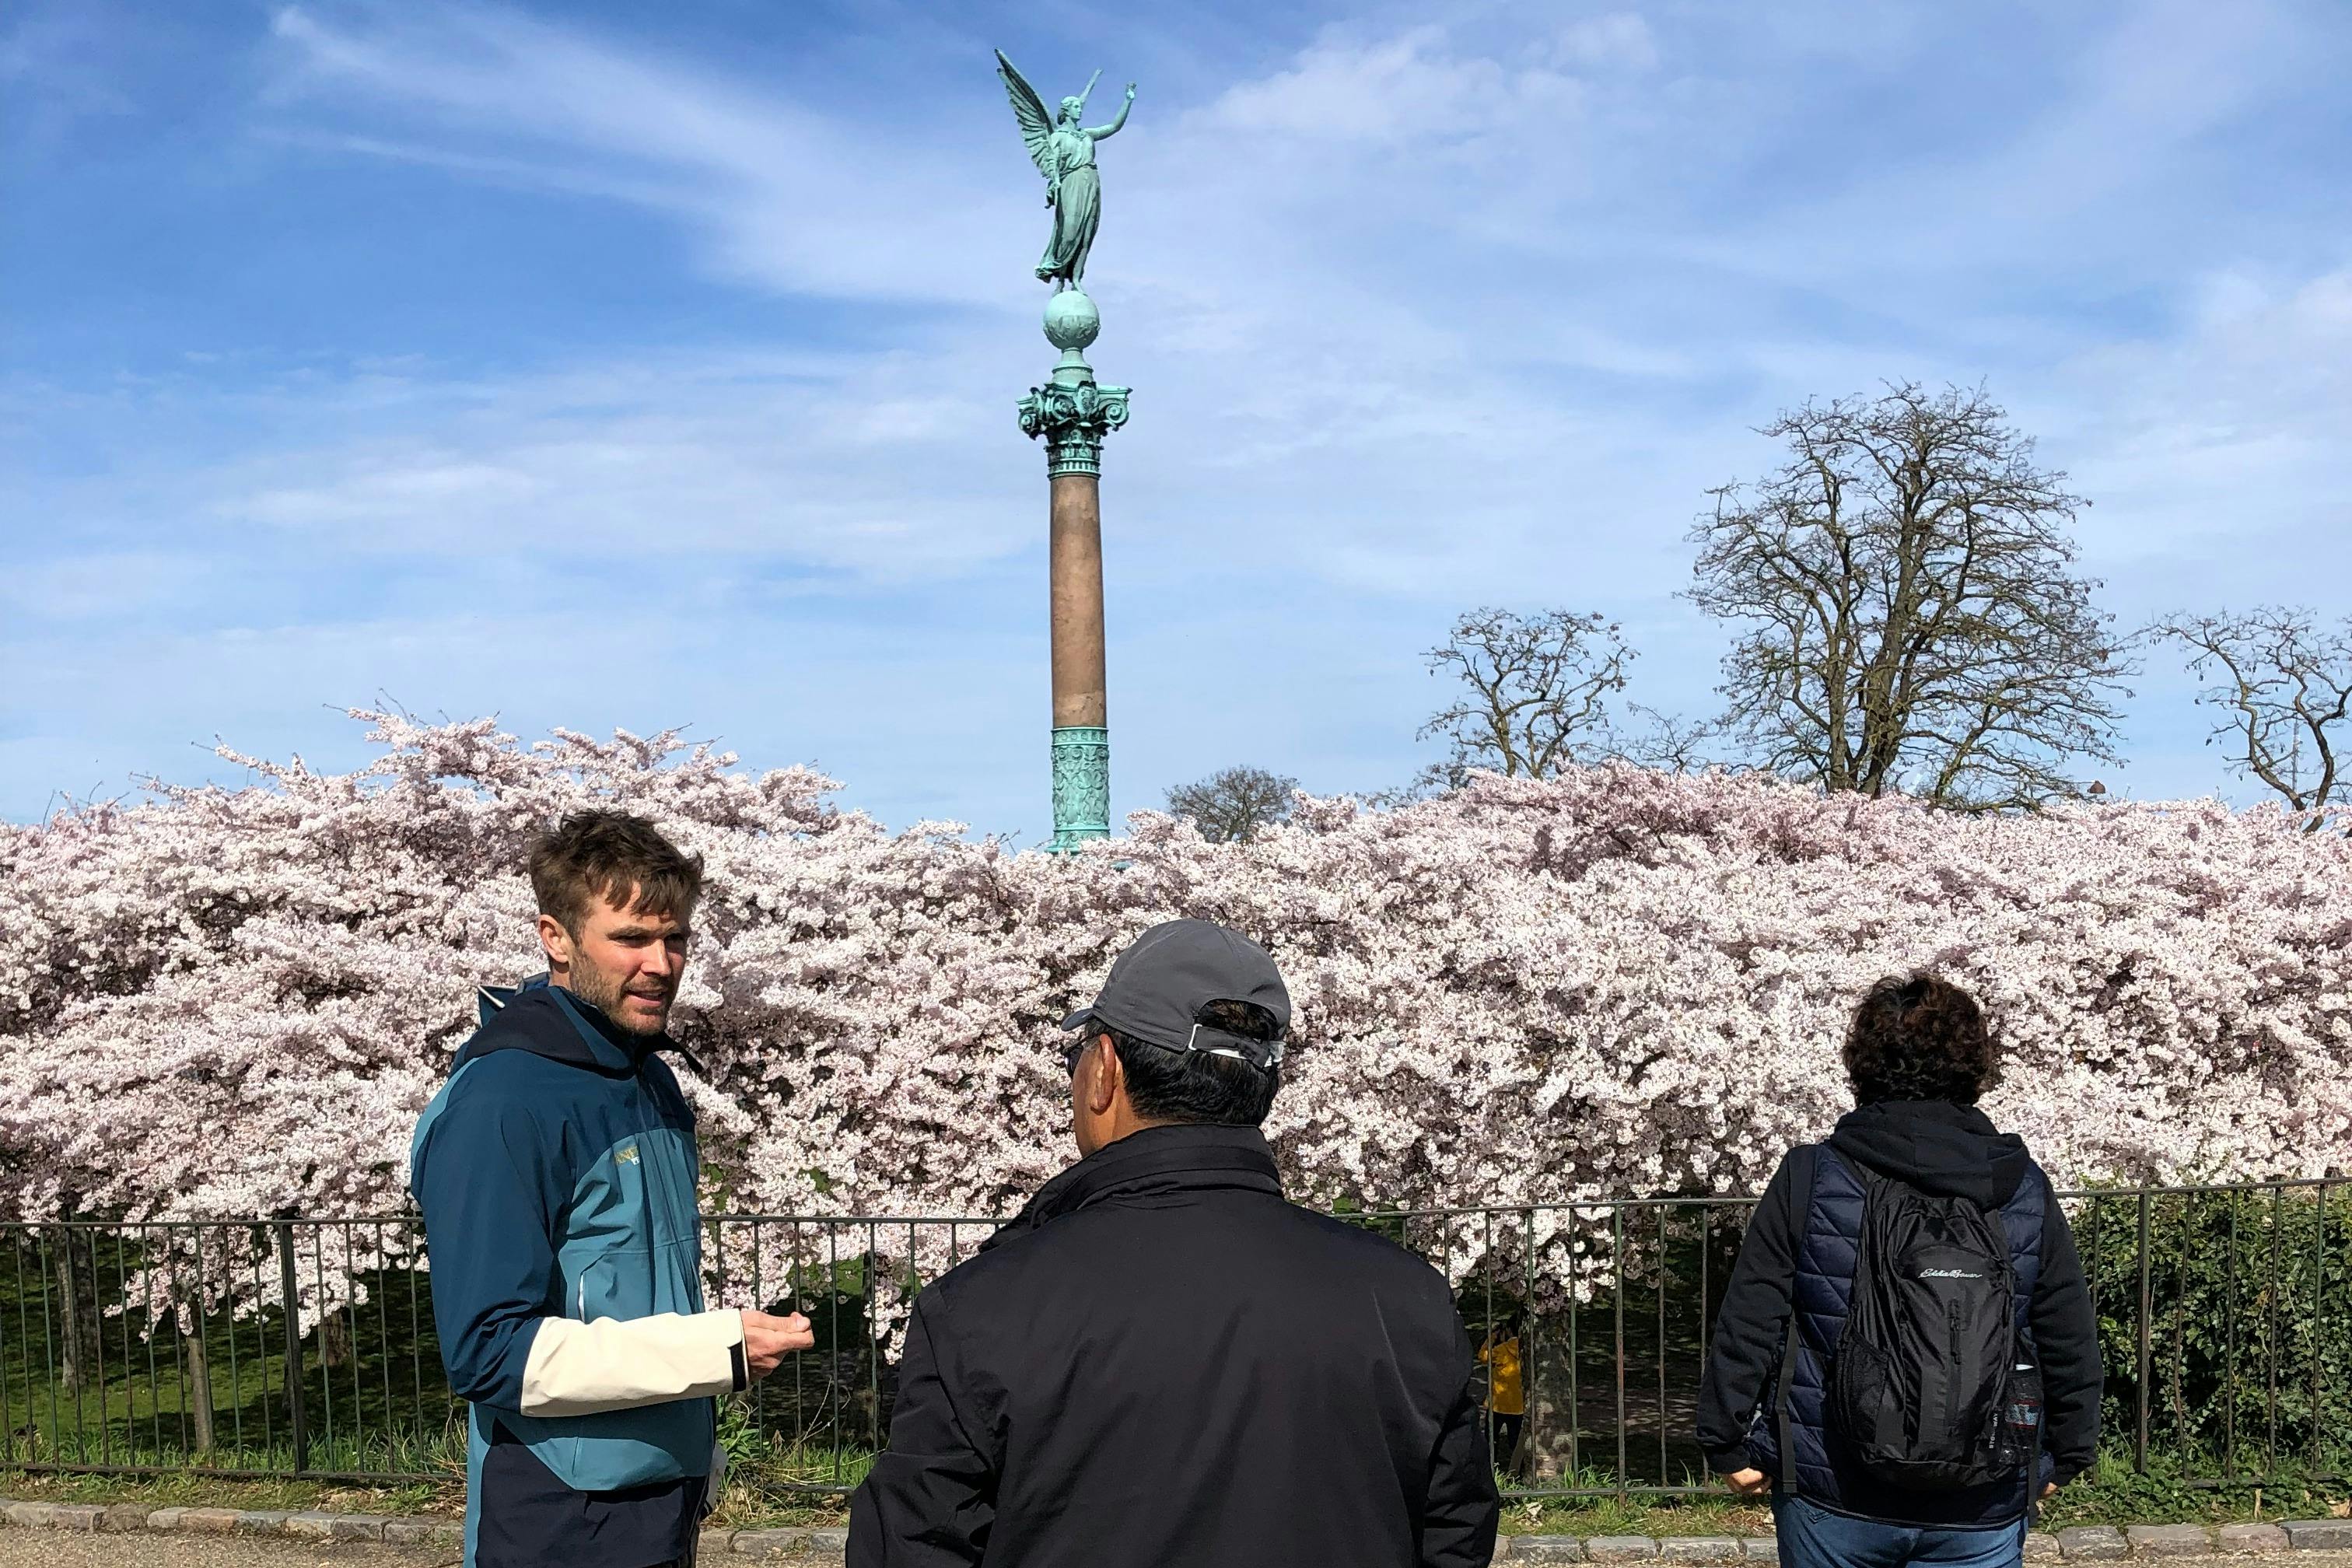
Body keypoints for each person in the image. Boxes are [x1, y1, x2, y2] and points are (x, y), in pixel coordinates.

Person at [848, 918, 1500, 1568]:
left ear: (1103, 1070)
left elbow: (911, 1547)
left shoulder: (982, 1310)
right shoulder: (1406, 1298)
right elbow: (1454, 1537)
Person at [411, 810, 814, 1568]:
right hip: (555, 1522)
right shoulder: (503, 1100)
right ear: (555, 937)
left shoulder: (653, 1080)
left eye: (676, 939)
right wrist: (713, 1350)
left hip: (665, 1503)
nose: (661, 964)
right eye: (631, 938)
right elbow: (488, 1352)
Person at [1696, 975, 2102, 1568]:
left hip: (1832, 1484)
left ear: (1861, 1063)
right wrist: (2066, 1454)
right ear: (1974, 1065)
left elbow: (1751, 1316)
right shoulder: (2020, 1188)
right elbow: (2065, 1329)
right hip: (1983, 1490)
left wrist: (1726, 1442)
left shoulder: (1813, 1176)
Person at [1476, 1318, 1527, 1475]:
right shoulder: (1527, 1350)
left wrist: (1491, 1337)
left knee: (1491, 1439)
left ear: (1509, 1331)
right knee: (1515, 1441)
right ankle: (1517, 1471)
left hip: (1498, 1403)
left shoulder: (1502, 1350)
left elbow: (1483, 1357)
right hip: (1518, 1405)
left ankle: (1489, 1469)